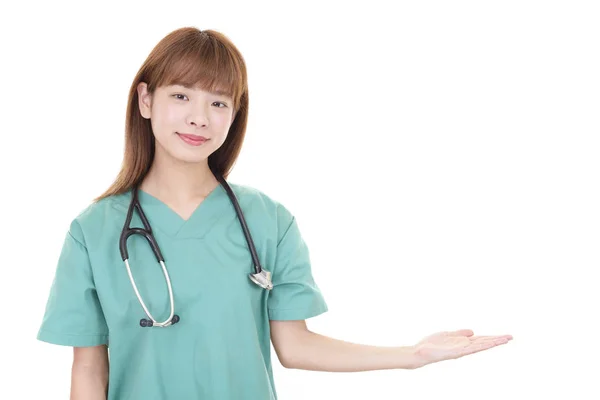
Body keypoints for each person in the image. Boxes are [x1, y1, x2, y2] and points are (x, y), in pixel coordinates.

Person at [37, 27, 513, 399]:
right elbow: (89, 368)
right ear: (145, 100)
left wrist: (412, 355)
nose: (199, 117)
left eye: (217, 102)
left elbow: (295, 346)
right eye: (181, 95)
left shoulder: (268, 221)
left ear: (234, 113)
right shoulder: (94, 230)